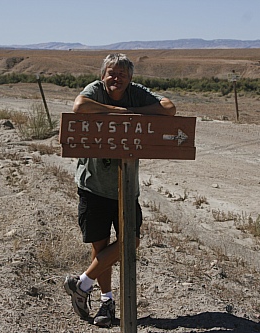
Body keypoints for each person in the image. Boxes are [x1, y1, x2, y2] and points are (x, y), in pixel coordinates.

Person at [63, 53, 176, 327]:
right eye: (112, 73)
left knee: (131, 241)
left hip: (125, 188)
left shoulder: (137, 93)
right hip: (93, 185)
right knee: (100, 246)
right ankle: (106, 303)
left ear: (130, 78)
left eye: (122, 75)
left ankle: (82, 283)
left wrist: (135, 112)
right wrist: (121, 114)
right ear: (103, 75)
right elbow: (79, 106)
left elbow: (169, 108)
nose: (117, 79)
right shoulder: (95, 90)